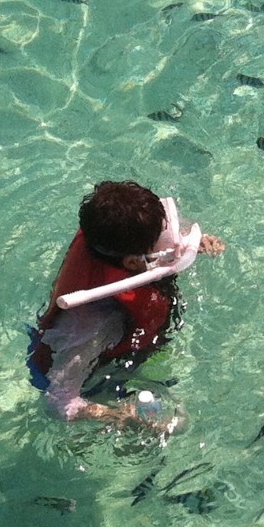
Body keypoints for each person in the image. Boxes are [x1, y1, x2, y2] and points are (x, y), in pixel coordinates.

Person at [28, 180, 222, 426]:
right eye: (164, 241)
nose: (173, 238)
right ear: (131, 263)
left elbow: (155, 242)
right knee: (179, 424)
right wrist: (117, 416)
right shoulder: (96, 321)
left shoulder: (109, 238)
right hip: (96, 380)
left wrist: (192, 242)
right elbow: (58, 402)